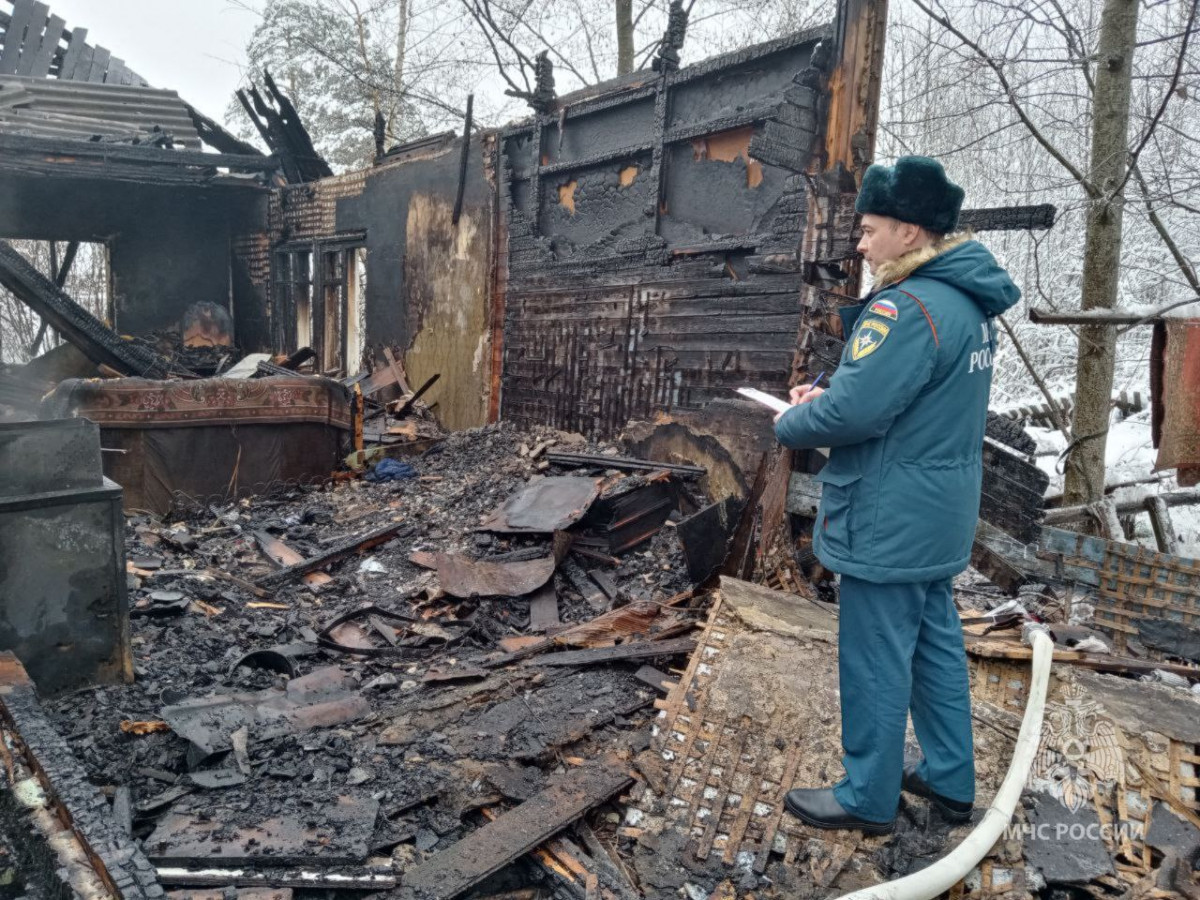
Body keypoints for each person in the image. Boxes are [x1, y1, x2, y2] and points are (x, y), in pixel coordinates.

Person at [773, 156, 1020, 834]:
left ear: (909, 233)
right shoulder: (967, 303)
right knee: (934, 643)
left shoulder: (905, 307)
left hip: (889, 514)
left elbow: (855, 415)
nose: (860, 242)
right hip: (937, 512)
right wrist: (840, 391)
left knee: (875, 655)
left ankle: (866, 797)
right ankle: (948, 779)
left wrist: (791, 418)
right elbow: (911, 398)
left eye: (871, 229)